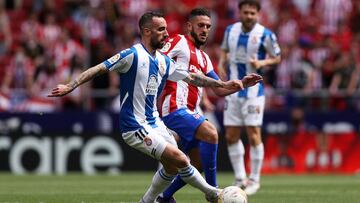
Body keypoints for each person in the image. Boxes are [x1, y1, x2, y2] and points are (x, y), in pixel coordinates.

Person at [48, 11, 245, 203]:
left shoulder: (163, 61)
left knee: (172, 167)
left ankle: (148, 200)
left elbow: (192, 77)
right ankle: (214, 194)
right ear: (147, 31)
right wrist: (70, 85)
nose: (166, 34)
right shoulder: (131, 55)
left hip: (155, 123)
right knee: (181, 159)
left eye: (166, 29)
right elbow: (99, 68)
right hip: (134, 125)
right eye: (161, 30)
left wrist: (222, 84)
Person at [156, 8, 262, 203]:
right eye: (201, 25)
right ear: (189, 26)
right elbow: (155, 58)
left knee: (197, 163)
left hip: (188, 111)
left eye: (208, 27)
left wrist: (242, 84)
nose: (205, 30)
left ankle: (164, 197)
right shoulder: (179, 41)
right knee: (211, 133)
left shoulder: (204, 59)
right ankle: (213, 194)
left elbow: (220, 89)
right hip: (172, 108)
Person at [217, 0, 281, 195]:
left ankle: (255, 179)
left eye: (253, 13)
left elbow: (277, 56)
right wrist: (221, 65)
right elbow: (224, 51)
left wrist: (262, 62)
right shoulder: (230, 31)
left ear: (258, 14)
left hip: (254, 93)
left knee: (253, 133)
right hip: (234, 90)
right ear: (240, 12)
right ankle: (240, 178)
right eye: (246, 12)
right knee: (230, 135)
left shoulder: (266, 34)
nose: (249, 16)